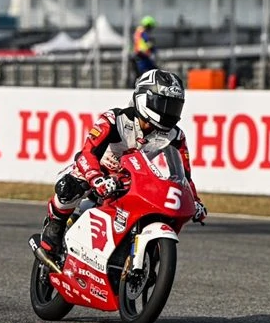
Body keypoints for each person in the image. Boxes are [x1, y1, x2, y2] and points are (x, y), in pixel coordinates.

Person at [39, 69, 207, 256]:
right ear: (144, 99)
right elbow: (87, 153)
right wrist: (96, 178)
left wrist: (194, 201)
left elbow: (184, 176)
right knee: (68, 186)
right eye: (164, 104)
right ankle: (55, 225)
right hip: (99, 173)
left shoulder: (175, 135)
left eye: (174, 106)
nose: (169, 112)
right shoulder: (115, 119)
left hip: (132, 180)